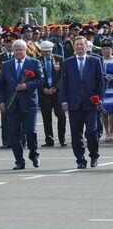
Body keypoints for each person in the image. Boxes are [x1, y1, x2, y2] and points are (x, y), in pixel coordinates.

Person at [0, 39, 44, 170]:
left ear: (25, 50)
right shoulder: (6, 65)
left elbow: (40, 80)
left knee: (30, 131)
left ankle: (34, 154)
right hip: (12, 105)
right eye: (16, 49)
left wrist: (27, 85)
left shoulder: (34, 63)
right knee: (14, 134)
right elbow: (1, 86)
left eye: (20, 49)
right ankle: (19, 160)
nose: (18, 51)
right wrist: (1, 102)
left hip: (29, 103)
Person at [59, 36, 104, 169]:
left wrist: (99, 98)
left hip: (91, 103)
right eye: (77, 45)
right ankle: (80, 159)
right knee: (76, 134)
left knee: (91, 132)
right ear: (74, 47)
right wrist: (63, 100)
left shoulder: (95, 61)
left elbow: (100, 83)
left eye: (81, 45)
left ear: (86, 47)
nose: (79, 47)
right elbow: (64, 83)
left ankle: (94, 155)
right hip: (74, 104)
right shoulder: (67, 62)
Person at [37, 41, 66, 147]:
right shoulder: (38, 61)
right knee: (46, 117)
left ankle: (62, 138)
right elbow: (36, 77)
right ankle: (49, 139)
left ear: (52, 50)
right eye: (45, 52)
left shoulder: (59, 59)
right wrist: (43, 88)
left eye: (49, 51)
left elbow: (63, 76)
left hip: (57, 93)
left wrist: (56, 87)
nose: (47, 54)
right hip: (44, 93)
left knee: (61, 115)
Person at [101, 39, 113, 141]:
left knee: (111, 112)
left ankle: (111, 133)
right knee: (103, 112)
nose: (106, 51)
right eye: (104, 48)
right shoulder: (99, 60)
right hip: (102, 89)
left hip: (112, 89)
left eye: (108, 48)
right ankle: (106, 132)